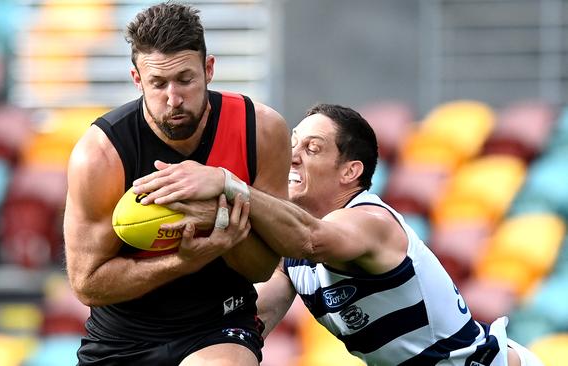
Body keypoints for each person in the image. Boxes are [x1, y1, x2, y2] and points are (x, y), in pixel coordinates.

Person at [132, 104, 544, 365]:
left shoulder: (370, 221)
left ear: (351, 171)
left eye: (311, 148)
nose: (291, 155)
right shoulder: (289, 253)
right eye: (293, 142)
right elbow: (254, 319)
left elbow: (311, 240)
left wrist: (226, 183)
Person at [63, 2, 291, 365]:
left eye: (185, 80)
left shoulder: (259, 130)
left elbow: (262, 268)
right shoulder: (101, 155)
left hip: (219, 323)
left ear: (209, 69)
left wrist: (219, 221)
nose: (173, 99)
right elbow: (87, 283)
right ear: (137, 79)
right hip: (122, 337)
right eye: (158, 83)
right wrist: (184, 260)